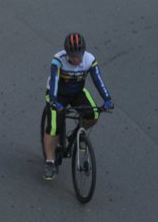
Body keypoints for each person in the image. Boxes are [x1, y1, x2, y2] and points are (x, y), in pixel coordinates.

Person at [42, 33, 114, 180]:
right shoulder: (58, 60)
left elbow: (98, 80)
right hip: (57, 94)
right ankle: (50, 162)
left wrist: (107, 99)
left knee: (94, 114)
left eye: (79, 55)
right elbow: (54, 82)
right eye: (73, 56)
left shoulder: (89, 60)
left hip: (77, 92)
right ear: (67, 53)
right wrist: (55, 102)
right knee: (54, 125)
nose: (77, 59)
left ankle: (75, 135)